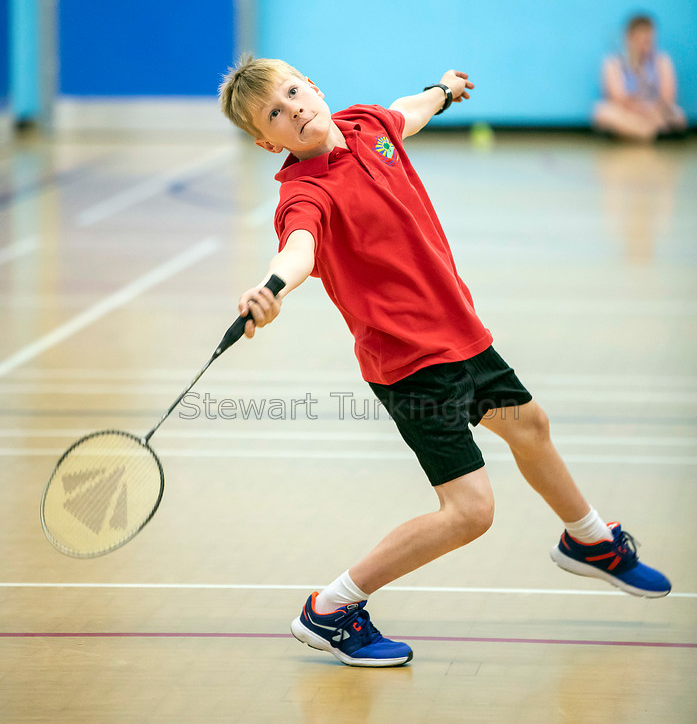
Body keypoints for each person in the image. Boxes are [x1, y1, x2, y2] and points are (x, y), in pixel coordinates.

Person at [218, 56, 671, 668]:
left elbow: (408, 112)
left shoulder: (366, 126)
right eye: (276, 111)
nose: (294, 108)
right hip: (409, 365)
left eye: (294, 91)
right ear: (266, 140)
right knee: (470, 512)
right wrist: (271, 288)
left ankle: (589, 542)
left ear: (315, 86)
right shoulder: (305, 193)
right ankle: (331, 608)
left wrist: (445, 90)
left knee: (530, 426)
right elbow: (299, 248)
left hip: (462, 334)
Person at [593, 14, 687, 142]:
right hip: (628, 112)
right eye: (639, 40)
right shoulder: (613, 63)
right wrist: (638, 108)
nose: (643, 46)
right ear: (629, 38)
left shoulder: (662, 61)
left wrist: (651, 109)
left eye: (648, 41)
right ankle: (653, 134)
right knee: (602, 112)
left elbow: (668, 97)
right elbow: (617, 98)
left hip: (655, 112)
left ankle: (633, 133)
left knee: (678, 115)